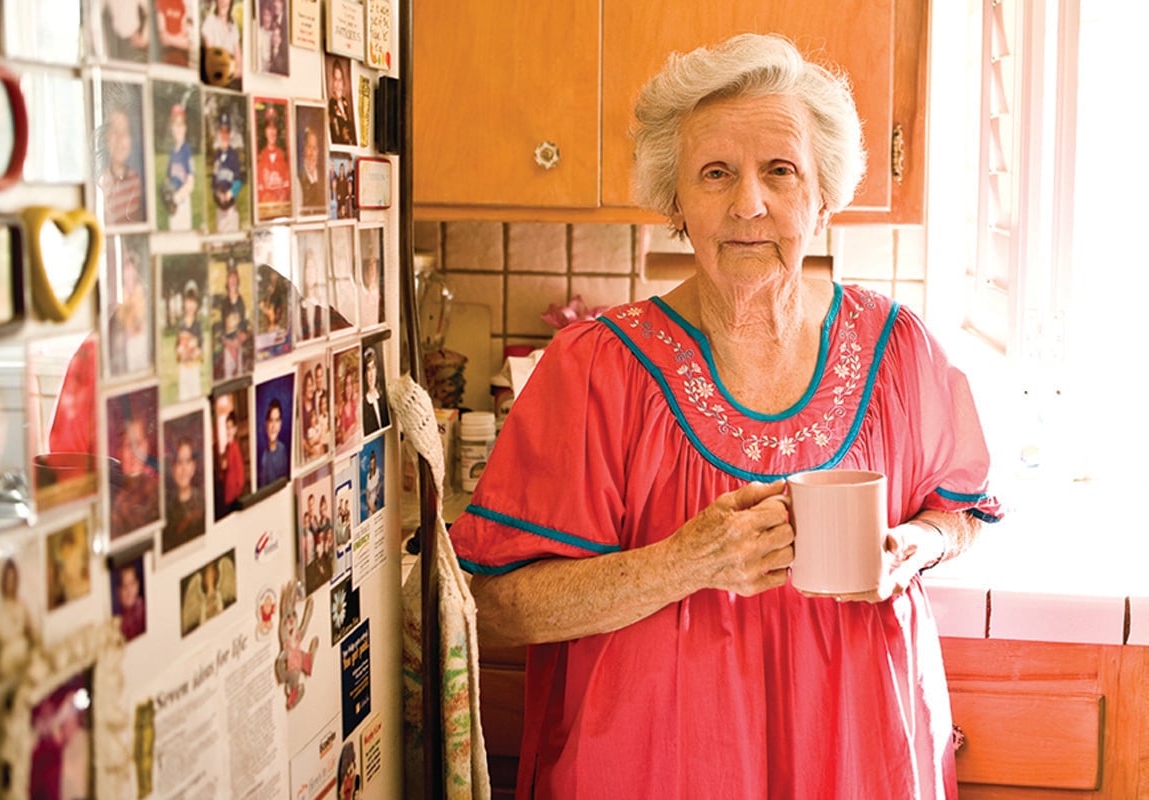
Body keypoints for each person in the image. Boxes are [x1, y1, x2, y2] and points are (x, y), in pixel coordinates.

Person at [449, 33, 1003, 799]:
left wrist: (914, 545)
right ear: (676, 200)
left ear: (822, 196)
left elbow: (964, 511)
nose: (749, 203)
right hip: (656, 767)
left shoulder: (896, 351)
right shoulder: (595, 369)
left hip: (859, 756)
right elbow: (492, 604)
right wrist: (684, 563)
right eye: (715, 174)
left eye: (781, 170)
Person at [0, 559, 37, 685]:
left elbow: (32, 633)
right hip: (7, 665)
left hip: (25, 659)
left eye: (13, 579)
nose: (10, 583)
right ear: (3, 582)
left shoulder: (22, 605)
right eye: (7, 579)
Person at [98, 105, 145, 226]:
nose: (120, 138)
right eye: (115, 132)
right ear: (105, 138)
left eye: (125, 132)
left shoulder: (136, 178)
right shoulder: (101, 182)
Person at [163, 435, 203, 552]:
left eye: (187, 462)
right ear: (172, 467)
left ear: (193, 466)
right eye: (179, 462)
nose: (184, 469)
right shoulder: (166, 509)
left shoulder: (203, 501)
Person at [164, 104, 195, 231]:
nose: (178, 129)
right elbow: (168, 177)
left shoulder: (186, 150)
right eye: (175, 125)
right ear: (171, 128)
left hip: (182, 202)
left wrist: (178, 196)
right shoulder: (172, 151)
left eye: (180, 124)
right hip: (173, 203)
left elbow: (191, 183)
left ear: (185, 128)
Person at [211, 112, 243, 232]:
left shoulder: (234, 155)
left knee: (233, 240)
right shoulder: (216, 157)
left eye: (226, 132)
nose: (224, 136)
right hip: (220, 206)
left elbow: (239, 180)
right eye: (222, 132)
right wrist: (218, 194)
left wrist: (230, 192)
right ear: (219, 134)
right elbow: (213, 182)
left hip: (231, 207)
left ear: (229, 134)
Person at [256, 107, 290, 214]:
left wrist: (280, 199)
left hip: (281, 210)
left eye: (274, 129)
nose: (272, 132)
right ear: (265, 132)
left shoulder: (283, 156)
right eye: (269, 129)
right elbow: (259, 191)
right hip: (266, 210)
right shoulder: (261, 158)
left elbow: (287, 187)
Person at [200, 0, 241, 84]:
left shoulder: (233, 24)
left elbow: (238, 54)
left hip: (232, 74)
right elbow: (210, 54)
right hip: (217, 73)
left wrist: (238, 69)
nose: (223, 3)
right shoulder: (210, 20)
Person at [175, 281, 203, 400]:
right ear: (184, 303)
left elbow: (201, 349)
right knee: (184, 396)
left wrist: (197, 352)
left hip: (194, 368)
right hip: (184, 369)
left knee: (195, 395)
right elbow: (176, 350)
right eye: (188, 301)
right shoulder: (181, 325)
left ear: (197, 304)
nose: (190, 305)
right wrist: (180, 351)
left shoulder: (198, 326)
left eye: (193, 301)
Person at [219, 408, 245, 514]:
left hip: (233, 495)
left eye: (230, 428)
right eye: (226, 428)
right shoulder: (227, 447)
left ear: (235, 429)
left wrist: (236, 492)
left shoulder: (235, 448)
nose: (228, 431)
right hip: (227, 494)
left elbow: (240, 474)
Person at [259, 397, 289, 486]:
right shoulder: (262, 456)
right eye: (271, 420)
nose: (273, 426)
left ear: (280, 424)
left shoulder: (283, 450)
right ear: (266, 424)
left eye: (276, 421)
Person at [114, 562, 146, 641]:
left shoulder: (143, 609)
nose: (129, 591)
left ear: (137, 585)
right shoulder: (119, 619)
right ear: (118, 592)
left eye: (132, 584)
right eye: (124, 586)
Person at [361, 346, 389, 435]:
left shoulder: (382, 397)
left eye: (373, 367)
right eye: (368, 369)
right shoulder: (364, 405)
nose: (371, 374)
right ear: (364, 374)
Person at [328, 59, 355, 146]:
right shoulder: (331, 104)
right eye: (335, 80)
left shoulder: (344, 101)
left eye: (340, 80)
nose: (338, 85)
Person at [298, 125, 323, 212]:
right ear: (303, 149)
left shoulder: (323, 177)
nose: (312, 153)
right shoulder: (298, 177)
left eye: (315, 148)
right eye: (309, 147)